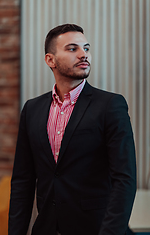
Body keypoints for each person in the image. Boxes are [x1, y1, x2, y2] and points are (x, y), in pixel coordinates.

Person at [8, 24, 136, 235]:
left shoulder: (110, 105)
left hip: (97, 229)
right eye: (72, 49)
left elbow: (124, 179)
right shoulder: (32, 109)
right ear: (50, 60)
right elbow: (23, 180)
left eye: (86, 48)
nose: (83, 55)